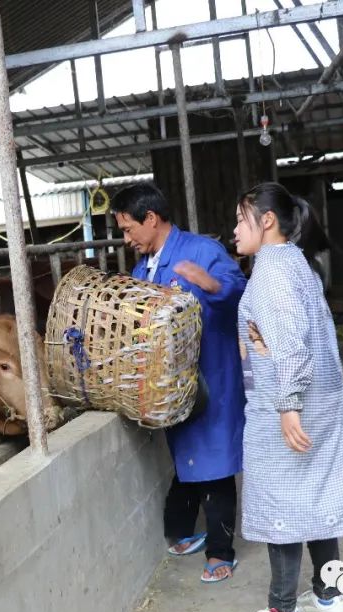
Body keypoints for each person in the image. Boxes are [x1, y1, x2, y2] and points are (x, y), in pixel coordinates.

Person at [232, 182, 343, 612]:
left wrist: (287, 404)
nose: (234, 230)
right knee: (317, 497)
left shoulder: (271, 271)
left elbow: (290, 344)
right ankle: (328, 599)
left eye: (240, 219)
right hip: (321, 399)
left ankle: (283, 610)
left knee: (282, 505)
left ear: (266, 220)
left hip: (288, 404)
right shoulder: (299, 265)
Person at [112, 183, 247, 584]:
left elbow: (236, 287)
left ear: (151, 219)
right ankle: (184, 533)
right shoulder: (143, 269)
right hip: (171, 386)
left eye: (127, 228)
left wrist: (210, 286)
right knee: (188, 454)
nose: (127, 238)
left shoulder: (202, 252)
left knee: (217, 463)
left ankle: (221, 553)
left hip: (212, 378)